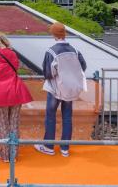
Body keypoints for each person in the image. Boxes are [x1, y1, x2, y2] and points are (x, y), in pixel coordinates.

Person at [34, 22, 87, 157]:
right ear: (64, 33)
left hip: (55, 89)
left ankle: (48, 146)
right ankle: (65, 149)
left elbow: (48, 73)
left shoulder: (51, 51)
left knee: (50, 116)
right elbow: (83, 66)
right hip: (70, 90)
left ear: (53, 34)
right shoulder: (74, 50)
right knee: (67, 117)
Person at [0, 32, 33, 163]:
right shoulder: (12, 53)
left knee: (3, 124)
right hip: (16, 90)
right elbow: (15, 67)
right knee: (14, 124)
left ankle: (5, 155)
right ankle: (13, 155)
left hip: (0, 93)